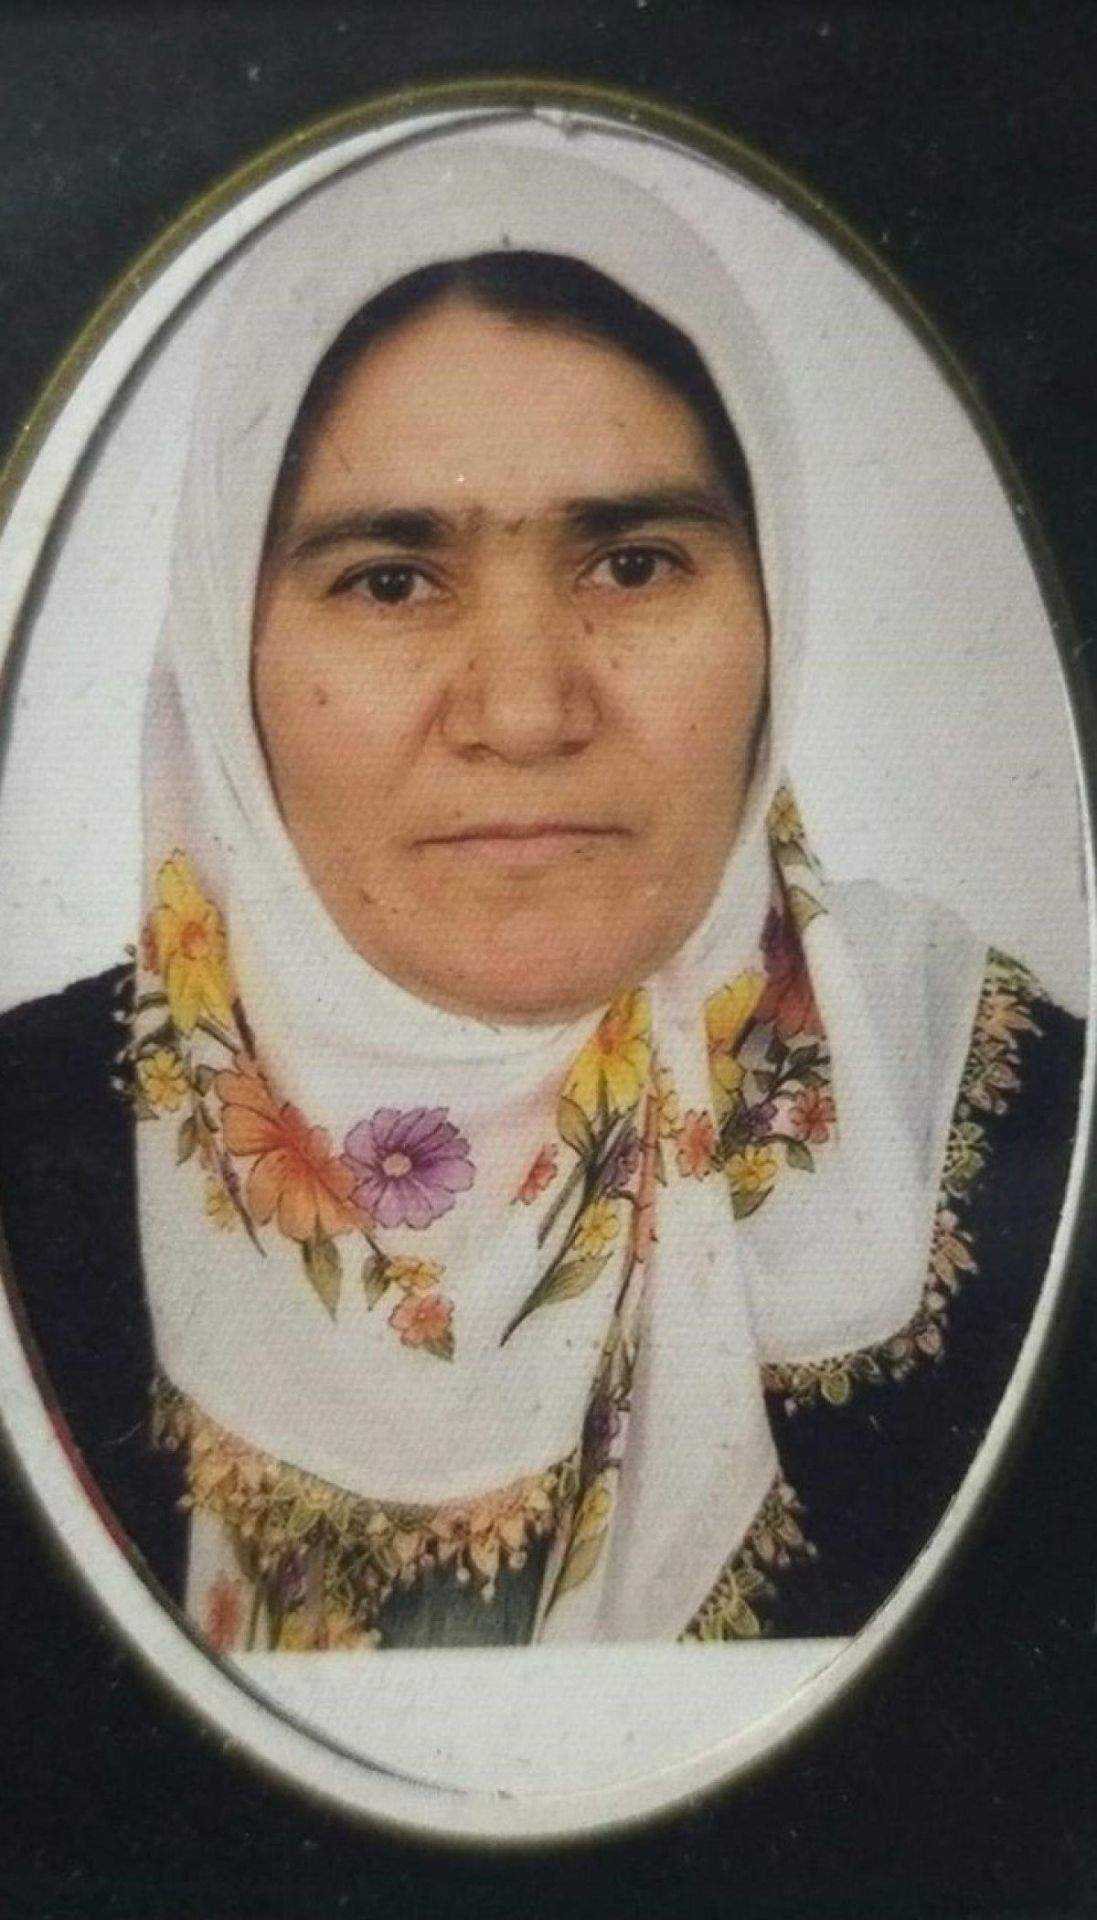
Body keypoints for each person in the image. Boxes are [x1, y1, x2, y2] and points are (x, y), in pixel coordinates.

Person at [0, 138, 1083, 1655]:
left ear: (774, 607)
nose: (523, 713)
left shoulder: (1031, 1139)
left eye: (632, 564)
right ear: (222, 642)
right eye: (390, 580)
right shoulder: (24, 1149)